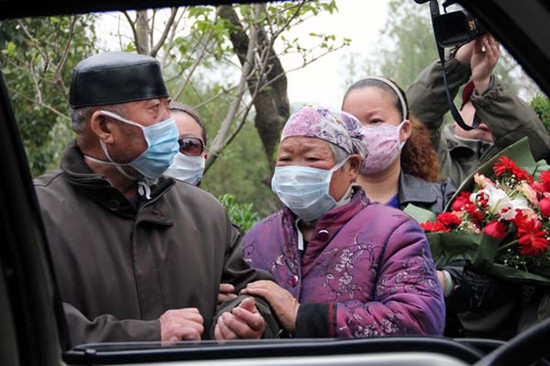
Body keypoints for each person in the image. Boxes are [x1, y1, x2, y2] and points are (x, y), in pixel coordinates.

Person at [34, 52, 279, 345]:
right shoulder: (36, 213)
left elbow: (254, 293)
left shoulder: (205, 213)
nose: (170, 125)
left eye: (167, 106)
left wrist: (242, 318)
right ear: (104, 127)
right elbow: (22, 319)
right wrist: (147, 335)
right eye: (154, 110)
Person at [238, 106, 445, 338]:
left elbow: (420, 319)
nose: (296, 171)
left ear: (352, 167)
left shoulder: (394, 232)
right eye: (286, 159)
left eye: (312, 158)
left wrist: (301, 316)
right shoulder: (257, 237)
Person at [407, 34, 550, 185]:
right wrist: (457, 63)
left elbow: (536, 148)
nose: (482, 116)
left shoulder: (513, 164)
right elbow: (413, 118)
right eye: (475, 105)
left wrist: (483, 83)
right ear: (457, 116)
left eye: (492, 112)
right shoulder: (435, 153)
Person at [342, 76, 456, 215]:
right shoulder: (324, 203)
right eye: (351, 123)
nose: (362, 132)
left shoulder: (443, 201)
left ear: (404, 130)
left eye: (374, 121)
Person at [164, 101, 208, 185]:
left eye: (189, 144)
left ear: (204, 157)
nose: (175, 155)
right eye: (164, 143)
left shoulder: (208, 199)